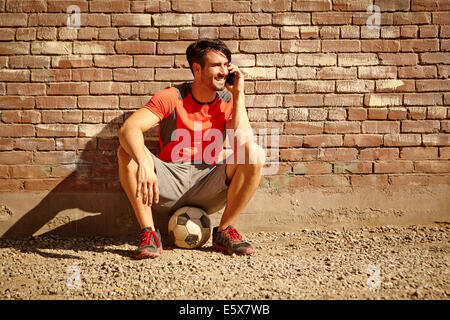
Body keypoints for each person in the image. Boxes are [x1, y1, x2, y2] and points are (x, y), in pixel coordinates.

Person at [117, 39, 265, 259]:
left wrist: (238, 95)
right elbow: (128, 129)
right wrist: (145, 163)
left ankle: (225, 231)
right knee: (125, 152)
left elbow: (242, 142)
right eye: (217, 65)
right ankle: (149, 234)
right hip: (169, 181)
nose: (224, 71)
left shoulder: (228, 99)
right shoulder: (172, 96)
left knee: (254, 152)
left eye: (227, 65)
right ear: (197, 68)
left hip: (209, 183)